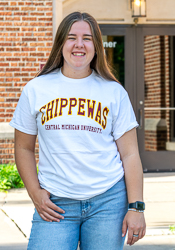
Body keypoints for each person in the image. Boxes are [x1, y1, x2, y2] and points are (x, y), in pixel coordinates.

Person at [9, 12, 146, 250]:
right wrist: (34, 192)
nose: (79, 44)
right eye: (72, 37)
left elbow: (130, 154)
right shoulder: (35, 89)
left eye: (87, 38)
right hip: (56, 202)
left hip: (108, 202)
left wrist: (136, 207)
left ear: (96, 46)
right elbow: (23, 147)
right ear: (61, 43)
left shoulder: (114, 92)